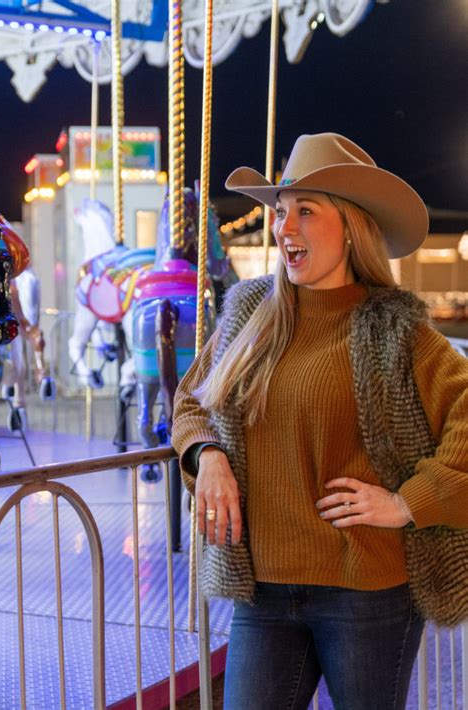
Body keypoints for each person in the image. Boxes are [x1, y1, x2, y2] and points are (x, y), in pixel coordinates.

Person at [171, 133, 468, 710]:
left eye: (306, 211)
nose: (284, 229)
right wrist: (206, 457)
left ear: (352, 226)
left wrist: (409, 502)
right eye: (281, 213)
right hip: (261, 593)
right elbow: (191, 403)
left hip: (367, 594)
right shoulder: (252, 314)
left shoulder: (395, 328)